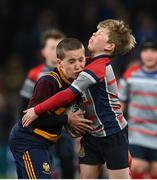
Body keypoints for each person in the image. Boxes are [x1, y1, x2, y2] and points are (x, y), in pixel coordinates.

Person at [22, 19, 136, 179]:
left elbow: (68, 94)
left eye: (99, 33)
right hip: (91, 135)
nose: (93, 34)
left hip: (112, 134)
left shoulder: (98, 67)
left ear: (109, 46)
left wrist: (37, 109)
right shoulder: (88, 63)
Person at [9, 38, 93, 179]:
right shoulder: (48, 82)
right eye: (72, 62)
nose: (78, 66)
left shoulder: (77, 85)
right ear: (60, 63)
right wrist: (67, 119)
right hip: (27, 140)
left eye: (81, 60)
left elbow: (74, 114)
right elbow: (31, 120)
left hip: (44, 143)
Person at [19, 29, 78, 178]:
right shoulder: (34, 75)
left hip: (64, 129)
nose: (56, 50)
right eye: (52, 47)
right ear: (43, 52)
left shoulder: (74, 74)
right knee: (43, 168)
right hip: (40, 131)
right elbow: (24, 107)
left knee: (68, 164)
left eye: (60, 46)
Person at [118, 38, 157, 179]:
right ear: (141, 54)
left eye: (153, 51)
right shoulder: (130, 76)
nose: (149, 55)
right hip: (137, 134)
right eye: (146, 51)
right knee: (136, 167)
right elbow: (119, 104)